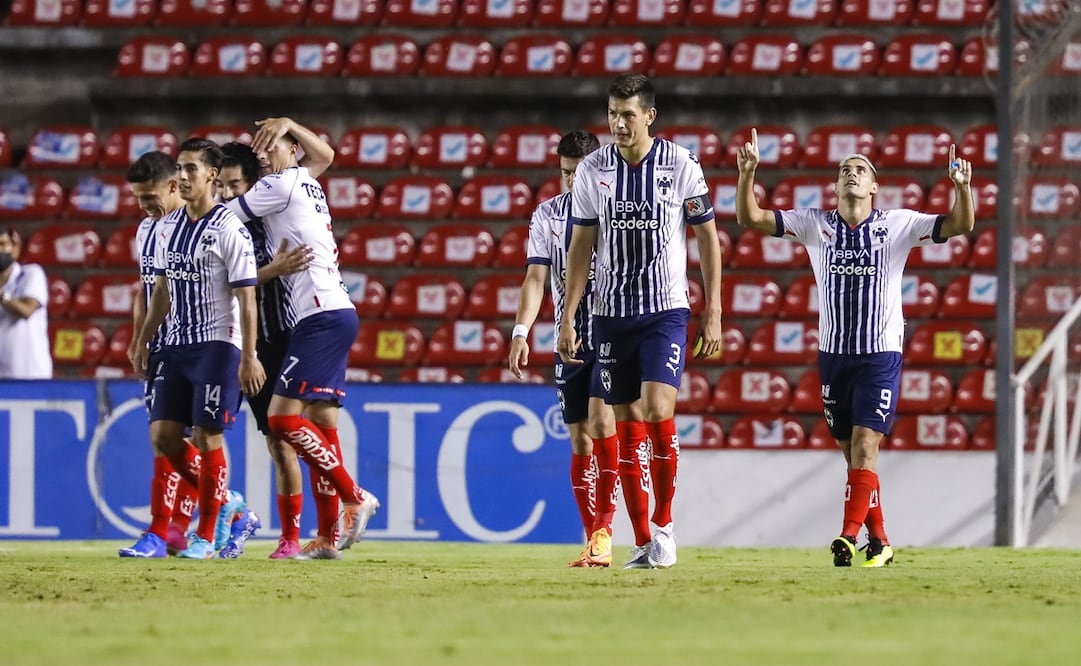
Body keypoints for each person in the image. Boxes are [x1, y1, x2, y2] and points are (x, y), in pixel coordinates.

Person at [735, 130, 975, 567]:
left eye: (860, 169)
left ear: (873, 186)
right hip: (833, 356)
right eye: (844, 169)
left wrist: (962, 190)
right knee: (853, 456)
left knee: (866, 445)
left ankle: (846, 537)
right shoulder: (814, 224)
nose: (851, 173)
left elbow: (960, 225)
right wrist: (748, 174)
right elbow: (751, 219)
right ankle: (880, 540)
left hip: (880, 354)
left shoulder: (898, 224)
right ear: (836, 185)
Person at [557, 73, 725, 569]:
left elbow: (708, 237)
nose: (618, 123)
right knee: (626, 422)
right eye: (612, 114)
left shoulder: (681, 165)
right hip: (610, 314)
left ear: (649, 116)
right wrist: (568, 318)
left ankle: (666, 523)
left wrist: (713, 309)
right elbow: (582, 245)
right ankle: (644, 540)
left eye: (628, 114)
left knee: (655, 407)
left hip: (664, 309)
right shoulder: (593, 171)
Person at [225, 123, 380, 561]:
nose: (262, 155)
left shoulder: (280, 182)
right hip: (331, 310)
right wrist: (289, 125)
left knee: (281, 421)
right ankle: (329, 538)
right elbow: (326, 155)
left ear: (292, 150)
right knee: (322, 428)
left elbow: (223, 217)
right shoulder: (305, 181)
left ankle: (354, 496)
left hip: (320, 315)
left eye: (269, 147)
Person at [130, 137, 266, 560]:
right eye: (180, 169)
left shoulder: (229, 229)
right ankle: (232, 507)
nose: (183, 177)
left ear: (211, 175)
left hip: (216, 344)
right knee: (164, 436)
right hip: (174, 344)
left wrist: (249, 355)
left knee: (208, 437)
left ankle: (206, 537)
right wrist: (142, 340)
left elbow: (246, 298)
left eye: (191, 169)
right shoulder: (165, 229)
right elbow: (162, 291)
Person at [508, 130, 622, 568]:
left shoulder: (616, 211)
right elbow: (536, 278)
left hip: (611, 332)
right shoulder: (547, 216)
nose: (572, 182)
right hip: (567, 336)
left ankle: (604, 530)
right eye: (565, 173)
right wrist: (521, 330)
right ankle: (592, 534)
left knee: (599, 419)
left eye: (580, 172)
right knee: (578, 440)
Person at [118, 150, 217, 558]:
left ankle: (173, 526)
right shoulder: (147, 230)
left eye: (149, 196)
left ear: (173, 186)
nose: (144, 206)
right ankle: (178, 525)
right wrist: (139, 338)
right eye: (138, 199)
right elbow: (146, 292)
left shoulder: (192, 227)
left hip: (197, 343)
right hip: (161, 344)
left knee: (179, 438)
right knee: (166, 439)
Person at [0, 227, 52, 380]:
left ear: (15, 249)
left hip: (31, 375)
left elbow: (27, 310)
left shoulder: (30, 274)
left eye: (3, 245)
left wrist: (2, 295)